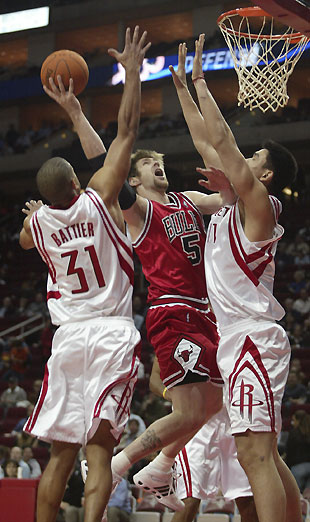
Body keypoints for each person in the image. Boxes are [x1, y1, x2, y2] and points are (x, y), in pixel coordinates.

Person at [46, 34, 238, 514]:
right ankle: (125, 463)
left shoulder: (188, 201)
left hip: (205, 313)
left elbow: (236, 197)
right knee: (196, 408)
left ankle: (157, 466)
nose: (161, 167)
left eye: (160, 162)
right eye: (151, 165)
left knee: (214, 404)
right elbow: (103, 157)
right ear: (133, 180)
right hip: (172, 311)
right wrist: (75, 114)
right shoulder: (135, 213)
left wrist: (228, 185)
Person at [19, 26, 150, 522]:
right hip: (111, 332)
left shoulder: (37, 224)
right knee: (99, 452)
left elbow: (25, 238)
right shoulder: (100, 197)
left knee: (59, 453)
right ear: (77, 182)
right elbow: (126, 135)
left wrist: (35, 217)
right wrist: (131, 74)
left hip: (68, 337)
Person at [171, 33, 301, 522]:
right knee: (262, 454)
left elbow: (222, 141)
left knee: (255, 457)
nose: (241, 161)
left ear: (263, 177)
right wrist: (183, 87)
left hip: (253, 339)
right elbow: (207, 142)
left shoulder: (261, 210)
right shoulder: (230, 206)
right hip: (236, 340)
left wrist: (204, 80)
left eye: (253, 161)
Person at [149, 356, 258, 522]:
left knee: (248, 503)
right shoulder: (176, 331)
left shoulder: (229, 330)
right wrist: (172, 396)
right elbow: (155, 378)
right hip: (195, 426)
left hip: (233, 420)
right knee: (189, 501)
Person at [285, 409, 310, 493]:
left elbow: (289, 453)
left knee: (297, 497)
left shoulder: (293, 433)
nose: (292, 423)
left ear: (298, 421)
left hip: (298, 468)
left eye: (293, 420)